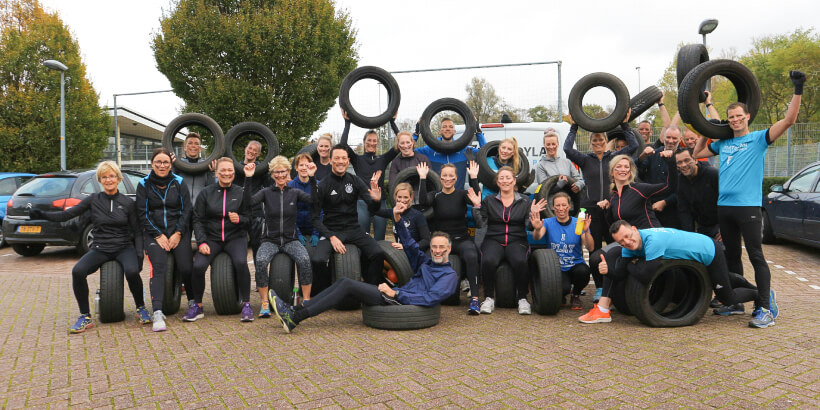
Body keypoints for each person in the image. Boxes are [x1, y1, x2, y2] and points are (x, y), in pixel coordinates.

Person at [694, 70, 805, 328]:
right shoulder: (723, 144)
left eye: (738, 116)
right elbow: (698, 152)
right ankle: (735, 303)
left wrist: (797, 88)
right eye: (730, 117)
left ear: (747, 117)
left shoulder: (759, 139)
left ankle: (765, 307)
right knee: (731, 256)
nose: (734, 120)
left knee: (756, 255)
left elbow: (788, 120)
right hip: (725, 209)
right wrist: (707, 125)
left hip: (748, 208)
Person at [269, 203, 457, 333]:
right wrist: (397, 218)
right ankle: (298, 311)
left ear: (449, 248)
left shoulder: (449, 276)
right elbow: (409, 244)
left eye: (442, 247)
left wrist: (397, 294)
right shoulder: (425, 263)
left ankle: (295, 316)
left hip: (401, 302)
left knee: (347, 286)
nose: (437, 251)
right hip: (395, 296)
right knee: (343, 281)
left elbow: (432, 298)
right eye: (434, 247)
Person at [29, 161, 147, 333]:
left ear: (118, 179)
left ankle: (141, 308)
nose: (108, 180)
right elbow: (66, 215)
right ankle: (85, 316)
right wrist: (41, 214)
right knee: (77, 271)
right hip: (101, 247)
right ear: (100, 180)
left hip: (123, 247)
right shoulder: (93, 200)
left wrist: (139, 255)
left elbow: (137, 232)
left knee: (131, 271)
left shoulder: (128, 203)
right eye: (104, 177)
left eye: (112, 176)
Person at [583, 221, 765, 326]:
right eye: (621, 242)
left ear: (635, 229)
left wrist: (630, 263)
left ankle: (760, 295)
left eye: (628, 236)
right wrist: (608, 271)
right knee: (722, 278)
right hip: (695, 251)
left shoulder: (653, 240)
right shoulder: (630, 246)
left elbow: (646, 275)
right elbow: (621, 272)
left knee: (727, 297)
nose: (627, 242)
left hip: (708, 250)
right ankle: (752, 288)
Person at [563, 109, 638, 302]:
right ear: (591, 143)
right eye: (594, 141)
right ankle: (599, 288)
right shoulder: (585, 159)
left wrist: (624, 124)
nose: (598, 143)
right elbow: (567, 149)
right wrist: (574, 126)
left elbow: (634, 145)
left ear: (606, 142)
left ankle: (615, 283)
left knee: (614, 246)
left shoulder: (613, 158)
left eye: (601, 140)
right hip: (589, 210)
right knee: (593, 250)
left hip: (611, 208)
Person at [242, 156, 316, 318]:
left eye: (283, 171)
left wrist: (312, 178)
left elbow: (314, 200)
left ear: (288, 172)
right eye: (276, 172)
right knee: (260, 261)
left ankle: (307, 301)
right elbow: (248, 202)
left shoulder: (295, 192)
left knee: (304, 260)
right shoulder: (266, 193)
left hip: (291, 240)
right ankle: (264, 303)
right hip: (271, 240)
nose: (280, 175)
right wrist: (248, 178)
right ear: (272, 174)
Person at [184, 157, 254, 322]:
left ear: (234, 173)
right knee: (198, 266)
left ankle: (246, 305)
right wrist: (201, 242)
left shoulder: (240, 192)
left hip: (235, 237)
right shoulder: (206, 193)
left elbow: (250, 218)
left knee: (241, 263)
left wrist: (240, 219)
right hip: (212, 239)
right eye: (222, 170)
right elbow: (197, 219)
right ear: (216, 173)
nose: (226, 173)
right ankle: (198, 306)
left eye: (230, 170)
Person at [310, 144, 385, 286]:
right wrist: (331, 236)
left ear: (348, 160)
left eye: (343, 158)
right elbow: (314, 218)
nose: (340, 161)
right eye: (337, 158)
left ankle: (370, 286)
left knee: (378, 253)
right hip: (332, 230)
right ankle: (328, 288)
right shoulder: (323, 185)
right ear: (331, 161)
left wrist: (376, 200)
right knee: (317, 261)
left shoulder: (355, 181)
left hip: (354, 229)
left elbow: (373, 208)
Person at [136, 148, 193, 332]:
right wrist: (158, 235)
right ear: (152, 164)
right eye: (158, 162)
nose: (162, 166)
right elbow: (142, 213)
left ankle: (193, 301)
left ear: (171, 165)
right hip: (155, 234)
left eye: (165, 163)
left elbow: (187, 210)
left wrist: (178, 233)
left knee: (186, 265)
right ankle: (158, 312)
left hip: (178, 232)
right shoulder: (143, 184)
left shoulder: (179, 182)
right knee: (158, 266)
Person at [418, 161, 483, 314]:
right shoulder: (435, 195)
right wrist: (422, 178)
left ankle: (474, 299)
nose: (447, 178)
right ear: (440, 178)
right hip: (442, 242)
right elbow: (422, 202)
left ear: (455, 178)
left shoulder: (461, 194)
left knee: (472, 256)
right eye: (444, 176)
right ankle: (425, 295)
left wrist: (473, 177)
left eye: (451, 176)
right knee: (426, 259)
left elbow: (476, 196)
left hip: (461, 239)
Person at [468, 166, 532, 315]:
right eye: (501, 178)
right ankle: (489, 298)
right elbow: (480, 224)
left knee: (520, 261)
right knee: (488, 260)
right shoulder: (489, 200)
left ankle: (522, 298)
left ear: (514, 180)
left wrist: (535, 219)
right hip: (493, 239)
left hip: (517, 240)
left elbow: (529, 225)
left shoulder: (524, 200)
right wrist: (477, 206)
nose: (505, 181)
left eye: (508, 178)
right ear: (497, 182)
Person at [340, 110, 400, 240]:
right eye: (369, 140)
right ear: (364, 142)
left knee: (380, 239)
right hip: (362, 201)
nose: (372, 143)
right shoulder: (357, 159)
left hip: (380, 202)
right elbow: (343, 145)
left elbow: (401, 143)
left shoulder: (383, 159)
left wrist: (392, 122)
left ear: (377, 143)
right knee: (363, 237)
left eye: (374, 141)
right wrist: (347, 123)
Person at [530, 192, 593, 309]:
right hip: (556, 267)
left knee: (584, 272)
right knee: (563, 288)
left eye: (564, 205)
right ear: (553, 207)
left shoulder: (578, 223)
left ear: (569, 206)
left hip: (576, 264)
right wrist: (537, 229)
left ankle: (576, 295)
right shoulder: (548, 222)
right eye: (557, 205)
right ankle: (562, 294)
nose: (561, 208)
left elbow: (590, 247)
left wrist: (587, 231)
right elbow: (537, 237)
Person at [414, 117, 486, 189]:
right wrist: (416, 133)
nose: (447, 129)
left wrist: (478, 132)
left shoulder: (464, 149)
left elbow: (485, 151)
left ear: (454, 131)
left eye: (451, 127)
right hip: (436, 197)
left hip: (458, 197)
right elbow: (408, 151)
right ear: (440, 131)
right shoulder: (429, 150)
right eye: (444, 127)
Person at [231, 140, 270, 260]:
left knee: (256, 245)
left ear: (258, 154)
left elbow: (269, 185)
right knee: (237, 245)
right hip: (238, 211)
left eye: (255, 151)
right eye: (250, 148)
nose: (252, 152)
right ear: (245, 149)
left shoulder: (261, 169)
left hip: (256, 212)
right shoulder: (235, 167)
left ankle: (259, 275)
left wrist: (268, 170)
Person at [637, 127, 682, 228]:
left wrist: (665, 202)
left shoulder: (683, 158)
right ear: (663, 137)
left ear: (680, 139)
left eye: (674, 138)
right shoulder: (654, 154)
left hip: (673, 209)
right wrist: (642, 156)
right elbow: (639, 172)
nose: (671, 141)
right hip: (651, 207)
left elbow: (683, 187)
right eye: (668, 137)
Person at [675, 148, 720, 239]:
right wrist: (690, 236)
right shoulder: (680, 181)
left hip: (720, 224)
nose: (683, 165)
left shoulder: (713, 175)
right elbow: (684, 210)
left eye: (687, 160)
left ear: (695, 160)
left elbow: (728, 201)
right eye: (679, 162)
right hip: (702, 226)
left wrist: (725, 227)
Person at [376, 182, 430, 251]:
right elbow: (374, 211)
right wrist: (376, 200)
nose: (402, 200)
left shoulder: (418, 215)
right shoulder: (393, 212)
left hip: (414, 253)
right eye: (399, 197)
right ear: (395, 197)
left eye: (405, 197)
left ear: (411, 197)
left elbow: (426, 240)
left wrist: (407, 246)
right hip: (400, 254)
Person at [171, 132, 216, 202]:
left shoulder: (207, 165)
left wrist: (212, 172)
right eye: (190, 143)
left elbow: (211, 188)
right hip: (182, 208)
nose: (193, 146)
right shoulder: (178, 164)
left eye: (196, 144)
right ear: (185, 147)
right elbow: (171, 185)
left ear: (200, 148)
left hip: (200, 208)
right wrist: (171, 166)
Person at [288, 153, 321, 247]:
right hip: (296, 229)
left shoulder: (318, 185)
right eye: (301, 165)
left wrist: (316, 233)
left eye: (306, 165)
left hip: (314, 228)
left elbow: (320, 211)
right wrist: (297, 233)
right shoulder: (290, 186)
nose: (304, 168)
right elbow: (289, 212)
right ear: (296, 168)